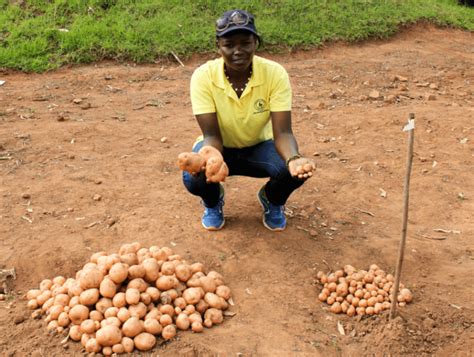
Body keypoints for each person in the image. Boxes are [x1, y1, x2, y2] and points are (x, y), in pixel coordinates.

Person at [178, 9, 315, 232]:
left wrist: (294, 158)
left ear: (256, 43)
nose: (238, 51)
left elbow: (283, 133)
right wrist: (210, 158)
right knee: (194, 177)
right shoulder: (203, 77)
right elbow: (211, 135)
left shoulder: (274, 73)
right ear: (218, 46)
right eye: (229, 44)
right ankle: (213, 202)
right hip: (220, 147)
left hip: (261, 147)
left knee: (293, 171)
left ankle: (272, 199)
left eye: (245, 43)